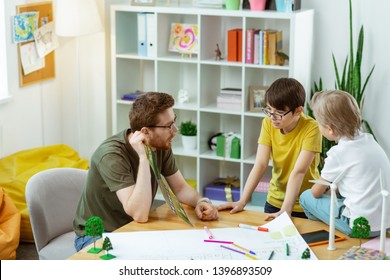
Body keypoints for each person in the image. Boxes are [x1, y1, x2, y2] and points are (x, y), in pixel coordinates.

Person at [73, 92, 218, 251]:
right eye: (168, 125)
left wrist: (201, 201)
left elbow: (180, 188)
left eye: (174, 121)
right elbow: (139, 214)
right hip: (97, 236)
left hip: (131, 229)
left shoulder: (160, 144)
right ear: (145, 132)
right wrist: (143, 158)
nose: (175, 130)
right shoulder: (111, 156)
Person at [218, 77, 322, 220]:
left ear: (298, 111)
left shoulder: (312, 128)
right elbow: (260, 164)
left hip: (305, 204)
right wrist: (242, 201)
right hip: (274, 201)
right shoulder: (268, 123)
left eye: (279, 112)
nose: (272, 117)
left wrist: (286, 209)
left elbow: (299, 171)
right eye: (269, 110)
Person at [300, 90, 390, 237]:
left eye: (319, 124)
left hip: (359, 227)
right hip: (384, 224)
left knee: (306, 197)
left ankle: (334, 230)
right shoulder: (369, 139)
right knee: (337, 195)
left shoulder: (338, 153)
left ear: (330, 129)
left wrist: (327, 191)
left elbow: (316, 192)